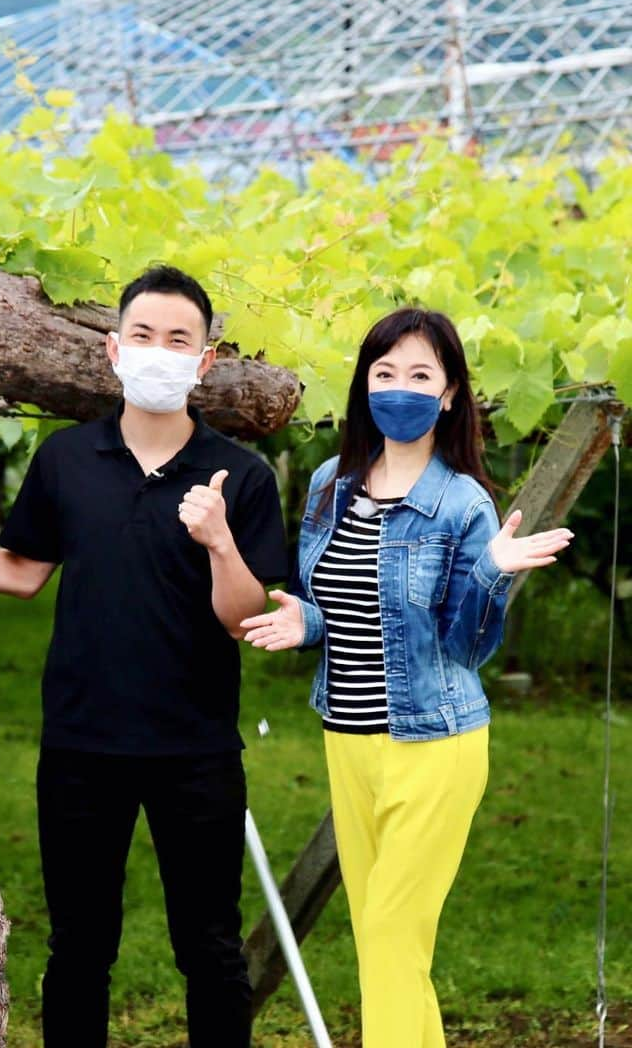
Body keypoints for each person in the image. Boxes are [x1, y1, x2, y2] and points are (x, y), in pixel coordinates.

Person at [0, 265, 288, 1048]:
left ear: (205, 360)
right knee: (79, 947)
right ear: (114, 350)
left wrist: (218, 540)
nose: (158, 351)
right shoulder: (67, 462)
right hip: (81, 745)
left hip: (197, 751)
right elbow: (20, 571)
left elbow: (242, 621)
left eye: (178, 339)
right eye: (143, 335)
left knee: (210, 950)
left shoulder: (241, 477)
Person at [240, 307, 573, 1048]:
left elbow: (465, 647)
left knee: (391, 931)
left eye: (419, 375)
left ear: (450, 393)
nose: (399, 388)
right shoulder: (331, 484)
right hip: (346, 739)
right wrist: (306, 624)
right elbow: (334, 603)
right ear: (364, 384)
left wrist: (491, 573)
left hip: (434, 744)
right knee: (388, 944)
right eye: (384, 373)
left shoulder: (463, 504)